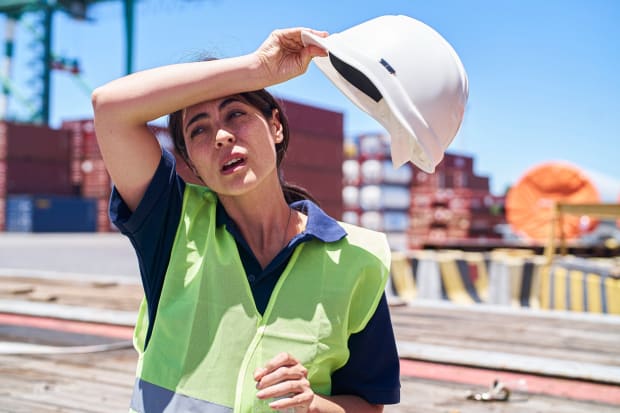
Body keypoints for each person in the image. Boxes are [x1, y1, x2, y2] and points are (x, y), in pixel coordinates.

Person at [92, 27, 400, 413]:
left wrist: (313, 406)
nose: (221, 135)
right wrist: (258, 68)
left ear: (275, 126)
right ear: (192, 161)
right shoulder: (171, 226)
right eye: (199, 129)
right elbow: (110, 108)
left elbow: (369, 405)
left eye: (236, 113)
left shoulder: (358, 258)